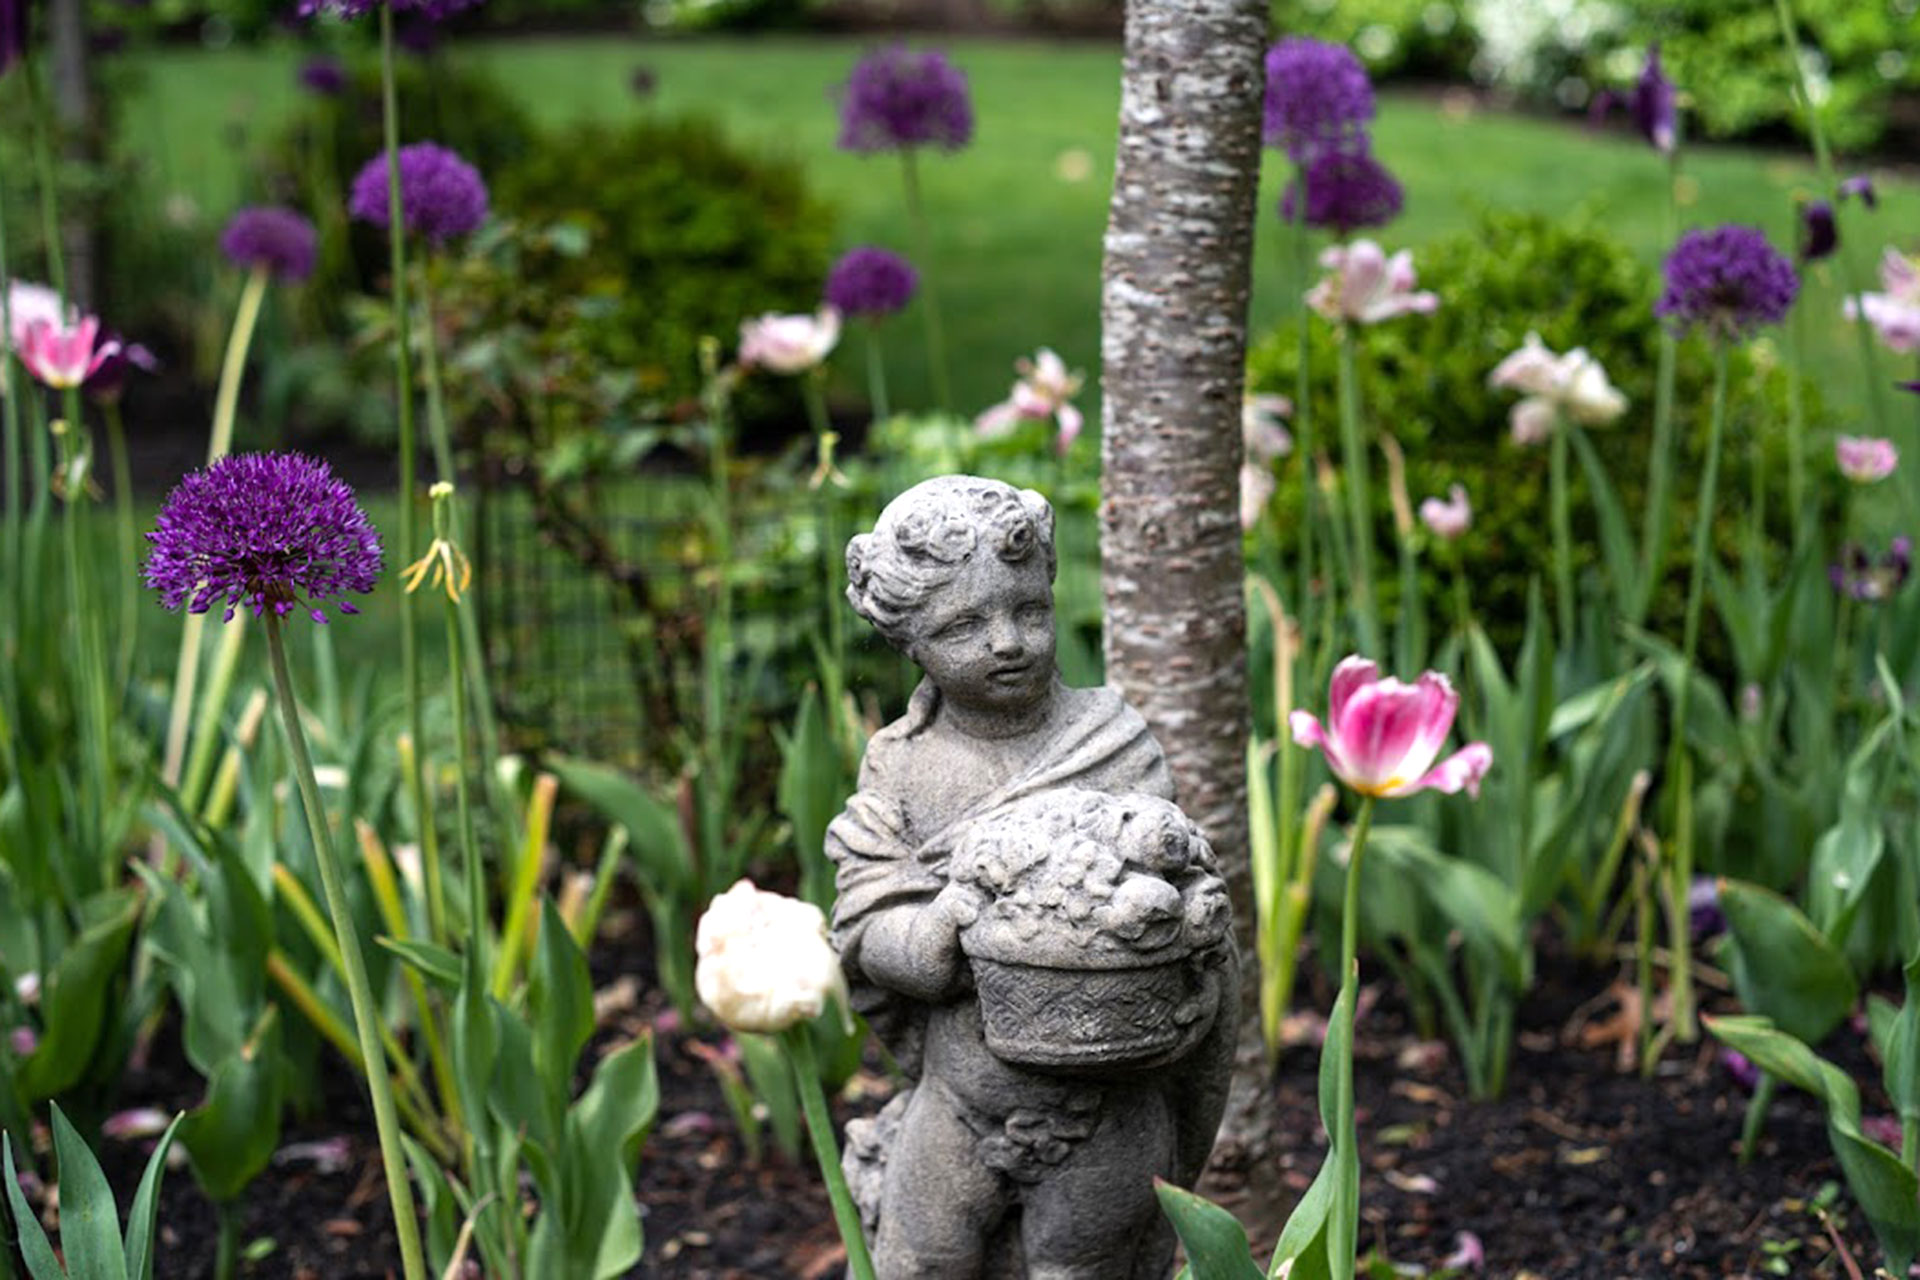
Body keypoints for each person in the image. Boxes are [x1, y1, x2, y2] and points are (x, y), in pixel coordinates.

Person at [828, 475, 1237, 1279]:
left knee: (1083, 1269)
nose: (1007, 642)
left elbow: (1180, 895)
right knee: (918, 1262)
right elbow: (869, 924)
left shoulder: (1112, 740)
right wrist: (944, 925)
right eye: (963, 626)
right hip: (960, 1100)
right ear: (908, 641)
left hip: (1109, 1104)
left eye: (1029, 611)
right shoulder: (902, 767)